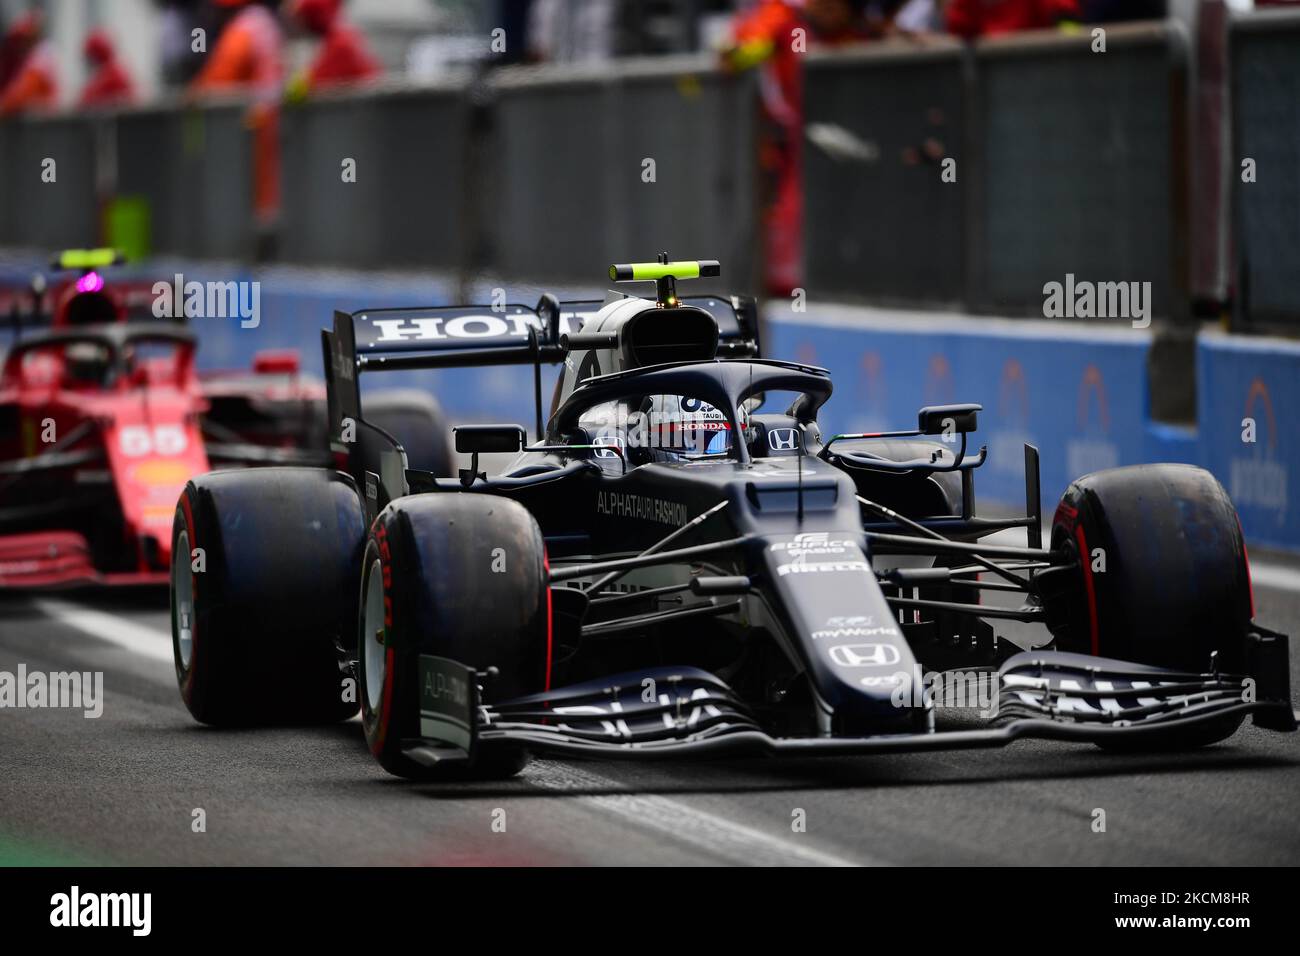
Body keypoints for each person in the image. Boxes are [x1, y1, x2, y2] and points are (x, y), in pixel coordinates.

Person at [722, 0, 871, 297]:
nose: (833, 10)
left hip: (853, 138)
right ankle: (788, 289)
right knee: (790, 211)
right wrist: (743, 51)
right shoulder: (780, 16)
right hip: (791, 142)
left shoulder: (857, 29)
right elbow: (735, 54)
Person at [190, 0, 285, 232]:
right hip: (272, 117)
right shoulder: (266, 23)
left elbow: (221, 77)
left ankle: (252, 246)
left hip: (254, 122)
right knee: (269, 190)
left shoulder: (244, 28)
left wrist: (196, 92)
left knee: (251, 191)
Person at [287, 0, 380, 93]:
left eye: (303, 17)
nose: (300, 24)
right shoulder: (345, 35)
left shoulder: (340, 43)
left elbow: (315, 83)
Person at [0, 11, 58, 116]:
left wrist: (3, 106)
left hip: (43, 123)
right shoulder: (24, 57)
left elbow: (21, 94)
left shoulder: (42, 55)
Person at [945, 0, 1080, 38]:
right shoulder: (967, 6)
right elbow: (957, 28)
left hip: (1043, 78)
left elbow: (1066, 15)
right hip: (987, 91)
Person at [79, 29, 136, 108]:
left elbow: (86, 99)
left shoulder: (114, 73)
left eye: (91, 54)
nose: (89, 59)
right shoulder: (110, 71)